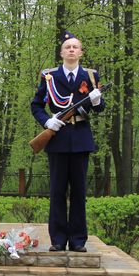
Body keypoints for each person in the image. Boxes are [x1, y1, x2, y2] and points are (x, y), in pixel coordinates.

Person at [30, 31, 104, 252]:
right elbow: (36, 105)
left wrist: (97, 99)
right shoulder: (49, 76)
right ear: (62, 52)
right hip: (58, 138)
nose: (71, 50)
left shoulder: (91, 76)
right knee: (57, 191)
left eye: (75, 47)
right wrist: (47, 122)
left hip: (81, 139)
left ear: (81, 52)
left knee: (79, 192)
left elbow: (100, 108)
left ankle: (78, 240)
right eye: (68, 47)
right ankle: (58, 239)